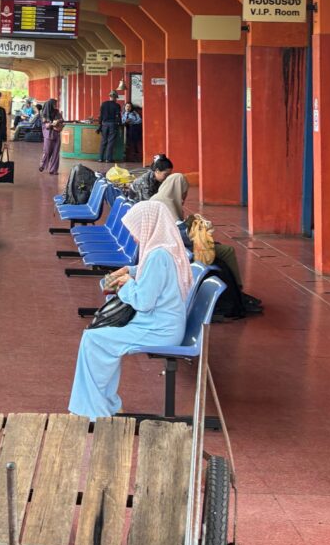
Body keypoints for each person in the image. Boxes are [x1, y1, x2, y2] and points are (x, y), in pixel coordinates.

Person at [68, 201, 191, 419]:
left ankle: (96, 410)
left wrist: (125, 283)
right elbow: (154, 273)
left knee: (93, 340)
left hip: (158, 329)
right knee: (96, 340)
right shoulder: (165, 249)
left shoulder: (157, 255)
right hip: (164, 324)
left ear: (149, 226)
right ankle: (104, 404)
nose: (134, 236)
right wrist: (131, 270)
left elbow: (143, 301)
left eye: (136, 230)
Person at [155, 173, 263, 316]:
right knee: (227, 251)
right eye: (184, 192)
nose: (184, 196)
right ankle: (237, 291)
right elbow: (180, 235)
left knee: (216, 249)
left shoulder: (162, 199)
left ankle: (235, 292)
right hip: (179, 248)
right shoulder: (166, 205)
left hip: (173, 245)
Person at [39, 98, 64, 175]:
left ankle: (53, 170)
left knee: (56, 153)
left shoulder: (57, 113)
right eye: (54, 104)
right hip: (48, 135)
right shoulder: (44, 114)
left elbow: (62, 121)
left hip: (56, 135)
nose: (55, 105)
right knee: (47, 152)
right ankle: (42, 165)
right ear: (50, 105)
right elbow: (45, 125)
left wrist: (59, 122)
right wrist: (52, 124)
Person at [97, 90, 122, 162]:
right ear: (115, 98)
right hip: (113, 125)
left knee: (103, 141)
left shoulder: (104, 104)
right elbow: (118, 116)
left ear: (110, 96)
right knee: (110, 142)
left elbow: (101, 116)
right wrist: (119, 124)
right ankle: (108, 159)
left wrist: (100, 125)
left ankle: (100, 158)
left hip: (104, 124)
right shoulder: (117, 105)